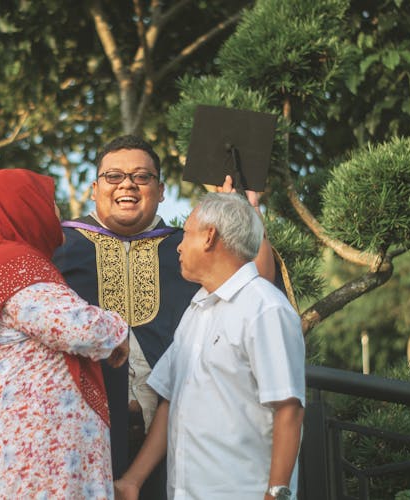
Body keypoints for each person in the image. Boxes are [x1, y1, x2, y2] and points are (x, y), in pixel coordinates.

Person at [52, 135, 280, 499]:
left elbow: (256, 286)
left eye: (142, 177)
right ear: (94, 189)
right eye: (114, 176)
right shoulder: (59, 247)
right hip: (77, 436)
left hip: (176, 437)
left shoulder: (187, 246)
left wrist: (247, 212)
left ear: (160, 190)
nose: (127, 184)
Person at [0, 169, 130, 499]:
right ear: (23, 207)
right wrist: (117, 332)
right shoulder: (15, 262)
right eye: (50, 202)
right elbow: (76, 326)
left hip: (15, 455)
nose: (57, 212)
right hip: (25, 458)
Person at [114, 192, 306, 500]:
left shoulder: (265, 308)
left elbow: (289, 409)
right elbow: (169, 400)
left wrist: (277, 494)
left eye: (187, 233)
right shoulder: (196, 310)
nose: (178, 244)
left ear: (209, 237)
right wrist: (133, 480)